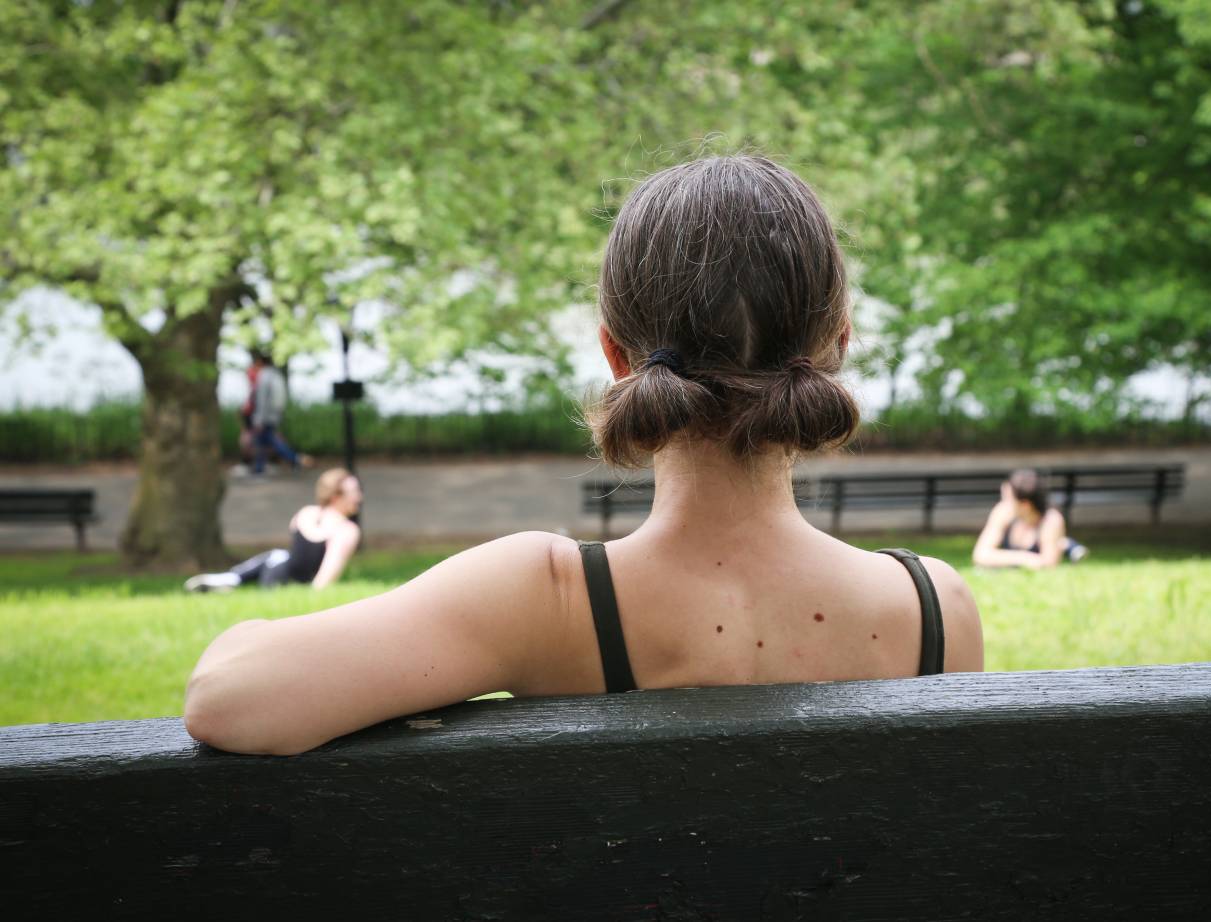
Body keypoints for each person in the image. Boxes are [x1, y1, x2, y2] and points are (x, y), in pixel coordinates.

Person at [184, 156, 983, 756]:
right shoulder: (932, 609)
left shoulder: (546, 599)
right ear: (836, 346)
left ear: (615, 355)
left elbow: (228, 696)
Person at [184, 468, 363, 592]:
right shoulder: (346, 530)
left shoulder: (306, 514)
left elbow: (300, 544)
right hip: (296, 580)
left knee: (275, 556)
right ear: (335, 497)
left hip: (276, 573)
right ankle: (231, 579)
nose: (359, 497)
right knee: (276, 556)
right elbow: (325, 576)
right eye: (354, 492)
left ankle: (231, 578)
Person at [972, 469, 1088, 570]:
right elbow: (980, 555)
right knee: (1061, 542)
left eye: (1009, 498)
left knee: (1059, 542)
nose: (1004, 502)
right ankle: (1068, 545)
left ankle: (1067, 545)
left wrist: (1000, 558)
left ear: (1025, 505)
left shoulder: (1051, 520)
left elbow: (1048, 564)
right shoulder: (1003, 512)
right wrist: (1024, 558)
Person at [249, 350, 311, 475]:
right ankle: (259, 467)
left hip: (265, 417)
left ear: (260, 362)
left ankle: (294, 459)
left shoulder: (264, 377)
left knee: (270, 441)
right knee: (264, 441)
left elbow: (262, 400)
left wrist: (258, 419)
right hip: (274, 415)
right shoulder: (276, 376)